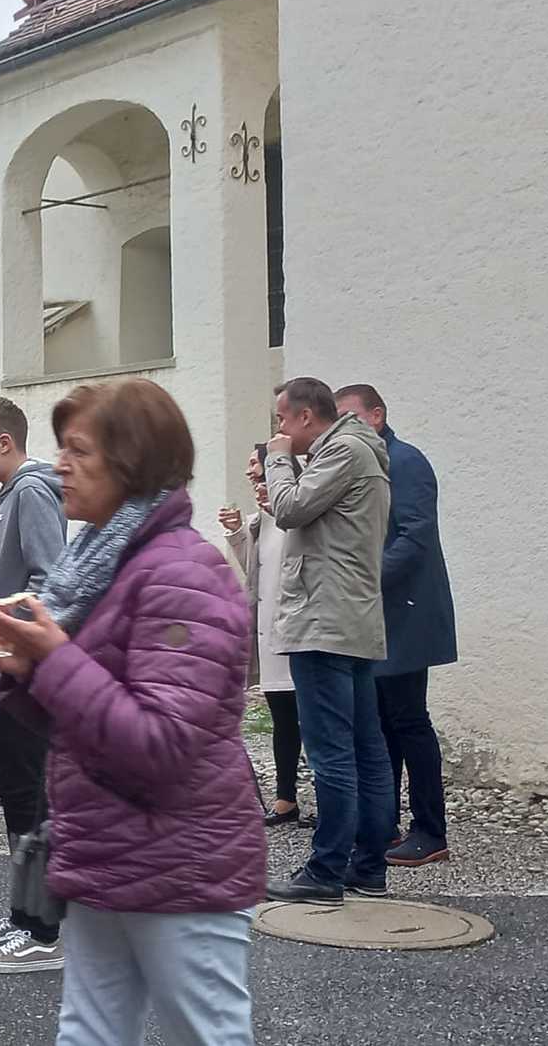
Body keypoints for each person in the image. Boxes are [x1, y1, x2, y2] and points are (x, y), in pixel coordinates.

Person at [0, 378, 264, 1046]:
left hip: (181, 864)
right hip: (105, 851)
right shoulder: (98, 564)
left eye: (79, 451)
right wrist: (24, 669)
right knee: (90, 1033)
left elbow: (159, 742)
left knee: (204, 1035)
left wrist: (51, 659)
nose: (60, 466)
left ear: (132, 464)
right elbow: (84, 724)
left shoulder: (183, 574)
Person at [264, 377, 393, 905]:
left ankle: (325, 872)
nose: (278, 429)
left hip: (323, 619)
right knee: (367, 750)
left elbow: (291, 509)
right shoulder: (363, 451)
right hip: (352, 618)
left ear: (305, 417)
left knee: (333, 753)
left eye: (281, 419)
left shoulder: (341, 450)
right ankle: (368, 869)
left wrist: (277, 461)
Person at [0, 395, 69, 973]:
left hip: (21, 673)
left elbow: (52, 581)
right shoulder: (10, 495)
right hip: (1, 669)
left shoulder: (30, 491)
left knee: (30, 795)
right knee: (14, 792)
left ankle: (44, 931)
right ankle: (24, 915)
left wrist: (4, 633)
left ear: (5, 442)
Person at [336, 383, 457, 867]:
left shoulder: (404, 461)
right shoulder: (365, 463)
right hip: (377, 613)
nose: (344, 429)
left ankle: (430, 831)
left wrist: (362, 579)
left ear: (377, 415)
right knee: (381, 723)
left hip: (404, 613)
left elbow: (415, 535)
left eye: (351, 418)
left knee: (409, 721)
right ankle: (381, 825)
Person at [221, 449, 303, 827]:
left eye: (256, 466)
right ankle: (286, 799)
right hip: (269, 631)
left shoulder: (299, 513)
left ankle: (332, 804)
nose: (251, 475)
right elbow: (256, 570)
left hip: (299, 631)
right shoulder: (260, 522)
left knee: (312, 720)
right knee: (282, 716)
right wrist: (238, 532)